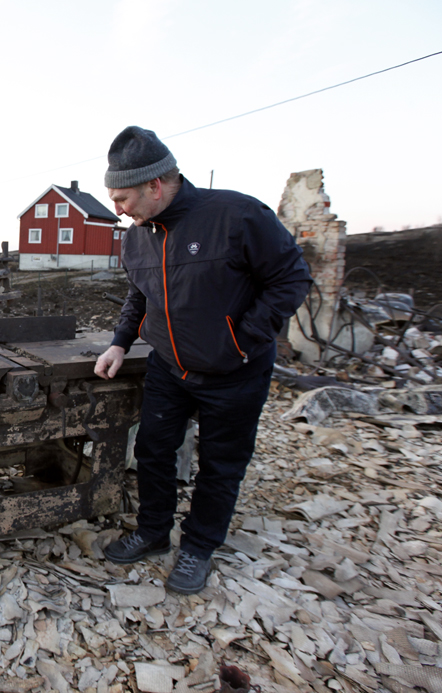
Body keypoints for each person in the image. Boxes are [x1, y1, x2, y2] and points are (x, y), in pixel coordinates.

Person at [94, 126, 312, 594]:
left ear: (155, 186)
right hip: (170, 368)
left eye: (123, 198)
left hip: (235, 371)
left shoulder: (237, 215)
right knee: (153, 451)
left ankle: (197, 548)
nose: (117, 209)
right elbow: (140, 294)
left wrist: (242, 341)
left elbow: (291, 279)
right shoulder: (136, 238)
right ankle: (153, 533)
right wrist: (119, 342)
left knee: (221, 464)